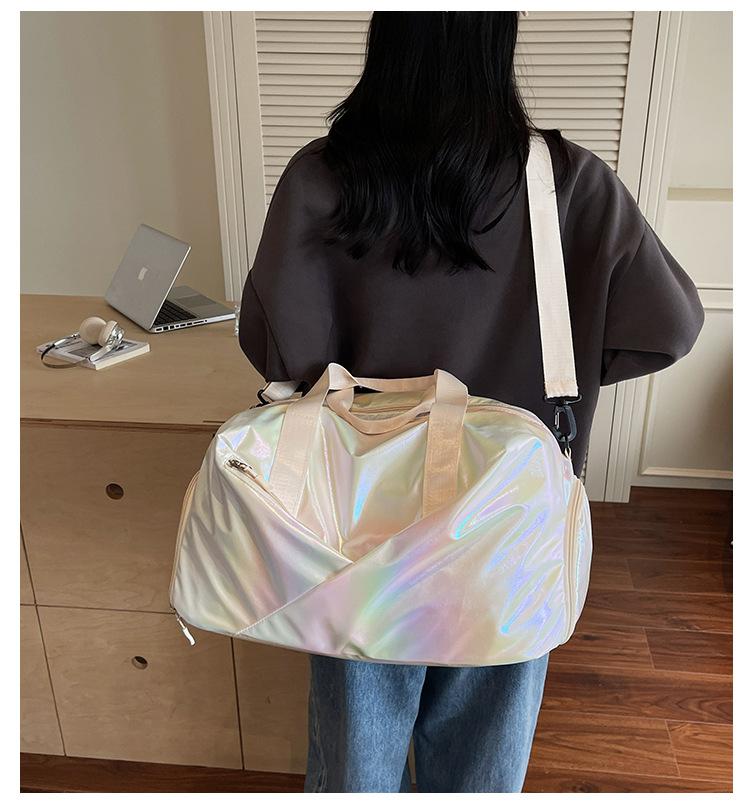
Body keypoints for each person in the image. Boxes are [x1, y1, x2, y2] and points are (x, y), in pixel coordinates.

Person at [238, 11, 704, 794]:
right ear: (497, 42)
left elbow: (275, 350)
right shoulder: (568, 183)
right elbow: (672, 327)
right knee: (484, 759)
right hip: (510, 518)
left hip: (358, 519)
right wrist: (567, 370)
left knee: (356, 753)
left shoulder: (321, 178)